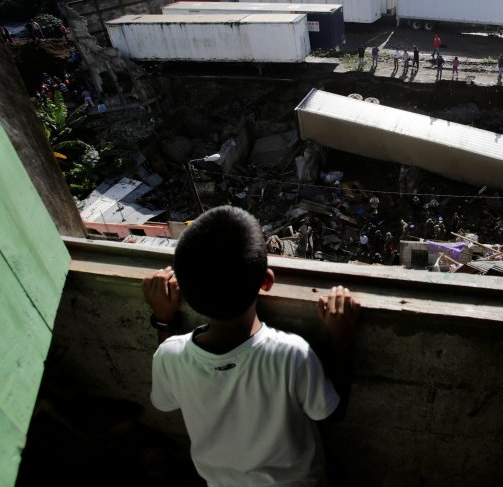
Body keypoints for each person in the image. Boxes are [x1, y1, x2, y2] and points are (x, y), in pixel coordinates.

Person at [141, 207, 361, 486]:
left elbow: (164, 402)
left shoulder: (170, 355)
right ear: (267, 282)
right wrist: (341, 336)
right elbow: (331, 411)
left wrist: (163, 319)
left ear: (182, 288)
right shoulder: (290, 354)